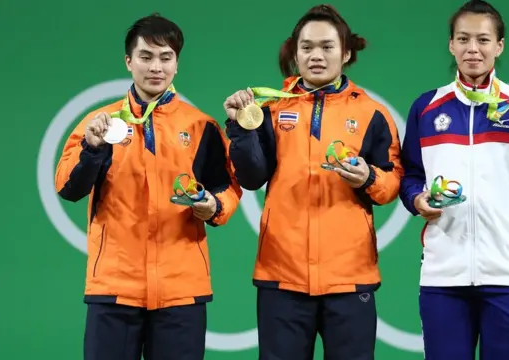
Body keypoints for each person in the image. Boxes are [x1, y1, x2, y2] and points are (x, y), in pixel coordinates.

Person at [54, 13, 242, 360]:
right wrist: (92, 148)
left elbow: (227, 188)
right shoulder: (100, 124)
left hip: (181, 292)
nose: (156, 67)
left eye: (165, 57)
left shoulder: (201, 126)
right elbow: (67, 187)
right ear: (129, 61)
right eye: (146, 56)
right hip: (114, 290)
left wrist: (213, 207)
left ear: (176, 64)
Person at [223, 4, 403, 360]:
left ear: (346, 52)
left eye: (327, 47)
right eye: (306, 47)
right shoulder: (270, 109)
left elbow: (392, 182)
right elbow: (252, 177)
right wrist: (240, 127)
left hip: (350, 276)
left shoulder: (372, 113)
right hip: (282, 275)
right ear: (295, 52)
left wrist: (368, 177)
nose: (316, 56)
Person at [399, 1, 509, 359]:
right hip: (443, 276)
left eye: (483, 40)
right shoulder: (426, 108)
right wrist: (416, 199)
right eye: (463, 39)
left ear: (499, 46)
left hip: (507, 272)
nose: (473, 48)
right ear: (451, 44)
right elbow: (410, 173)